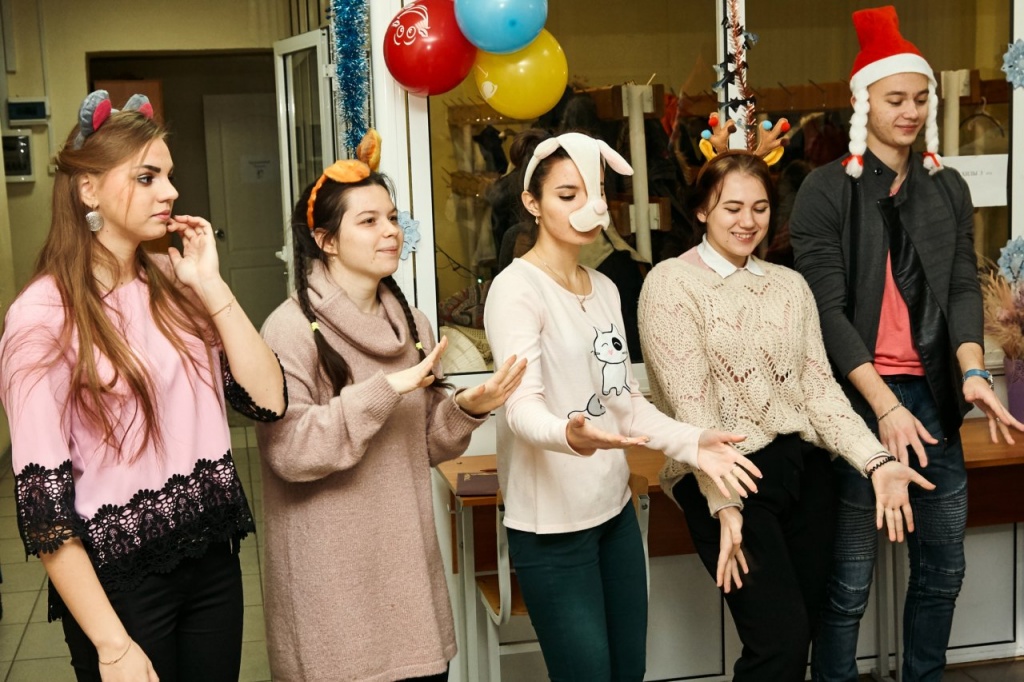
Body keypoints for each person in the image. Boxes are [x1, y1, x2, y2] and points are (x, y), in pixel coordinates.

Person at [0, 90, 287, 682]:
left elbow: (268, 400)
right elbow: (44, 508)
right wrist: (112, 646)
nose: (171, 192)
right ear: (88, 190)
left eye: (169, 176)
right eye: (147, 177)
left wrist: (211, 285)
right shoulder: (41, 316)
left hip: (212, 561)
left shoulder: (175, 282)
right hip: (122, 582)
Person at [788, 7, 1024, 681]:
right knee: (849, 581)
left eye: (921, 98)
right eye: (896, 99)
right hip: (857, 405)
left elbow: (959, 287)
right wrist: (883, 406)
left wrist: (973, 373)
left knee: (943, 570)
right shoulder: (825, 191)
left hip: (935, 400)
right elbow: (827, 313)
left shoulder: (946, 186)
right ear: (864, 101)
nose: (911, 111)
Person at [638, 148, 933, 681]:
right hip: (730, 474)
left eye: (760, 208)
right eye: (731, 208)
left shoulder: (789, 286)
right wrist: (723, 503)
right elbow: (692, 408)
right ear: (702, 210)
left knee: (806, 633)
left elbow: (819, 391)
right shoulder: (669, 283)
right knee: (779, 643)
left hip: (803, 471)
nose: (747, 221)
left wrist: (876, 460)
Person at [483, 129, 763, 682]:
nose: (588, 206)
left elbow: (627, 404)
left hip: (613, 516)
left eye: (596, 192)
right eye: (568, 195)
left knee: (628, 671)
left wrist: (694, 442)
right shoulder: (516, 290)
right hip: (551, 529)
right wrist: (570, 434)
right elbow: (519, 407)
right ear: (532, 203)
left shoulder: (605, 288)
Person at [253, 133, 527, 682]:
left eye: (393, 218)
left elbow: (424, 444)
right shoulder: (288, 329)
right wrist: (385, 390)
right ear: (326, 241)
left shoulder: (412, 324)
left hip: (406, 580)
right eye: (369, 221)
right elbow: (290, 452)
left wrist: (467, 408)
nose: (391, 232)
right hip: (332, 592)